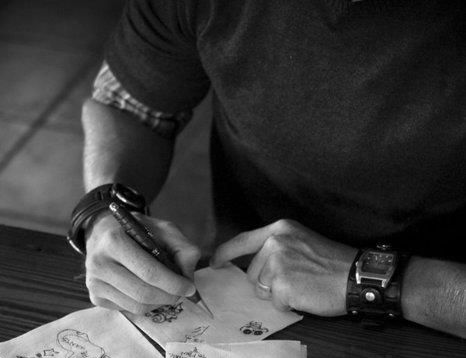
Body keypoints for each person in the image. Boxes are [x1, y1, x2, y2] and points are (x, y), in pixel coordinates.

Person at [75, 0, 466, 338]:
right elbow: (130, 108)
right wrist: (107, 211)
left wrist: (376, 279)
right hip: (249, 284)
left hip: (441, 320)